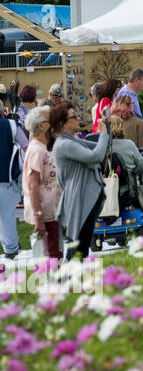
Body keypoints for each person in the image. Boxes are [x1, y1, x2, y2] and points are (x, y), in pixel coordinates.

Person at [50, 102, 110, 260]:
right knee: (77, 246)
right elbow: (95, 156)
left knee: (81, 246)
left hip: (83, 198)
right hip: (78, 199)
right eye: (73, 117)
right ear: (63, 124)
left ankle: (79, 281)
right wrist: (103, 133)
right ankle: (71, 281)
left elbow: (102, 147)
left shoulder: (73, 141)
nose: (78, 119)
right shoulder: (65, 144)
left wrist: (105, 126)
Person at [22, 106, 62, 259]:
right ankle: (55, 281)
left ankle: (58, 280)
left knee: (56, 252)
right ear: (41, 126)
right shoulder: (36, 150)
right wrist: (38, 218)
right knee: (53, 255)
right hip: (45, 215)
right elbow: (33, 186)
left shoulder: (46, 147)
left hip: (53, 212)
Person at [110, 94, 143, 202]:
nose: (122, 113)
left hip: (129, 160)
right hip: (129, 161)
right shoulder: (112, 121)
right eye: (120, 110)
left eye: (124, 109)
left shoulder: (137, 122)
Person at [0, 107, 29, 259]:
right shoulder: (11, 125)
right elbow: (26, 146)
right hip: (6, 177)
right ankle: (11, 249)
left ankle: (11, 247)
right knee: (6, 217)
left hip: (6, 178)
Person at [106, 115, 143, 213]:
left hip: (108, 188)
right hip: (129, 187)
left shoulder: (103, 146)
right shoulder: (129, 144)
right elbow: (141, 165)